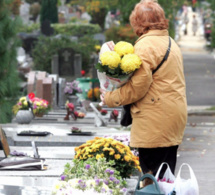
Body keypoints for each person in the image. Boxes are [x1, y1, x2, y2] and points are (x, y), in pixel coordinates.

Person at [100, 0, 187, 185]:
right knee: (166, 177)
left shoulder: (145, 46)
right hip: (172, 116)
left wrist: (110, 97)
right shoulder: (170, 42)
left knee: (151, 180)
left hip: (154, 120)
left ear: (138, 21)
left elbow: (138, 87)